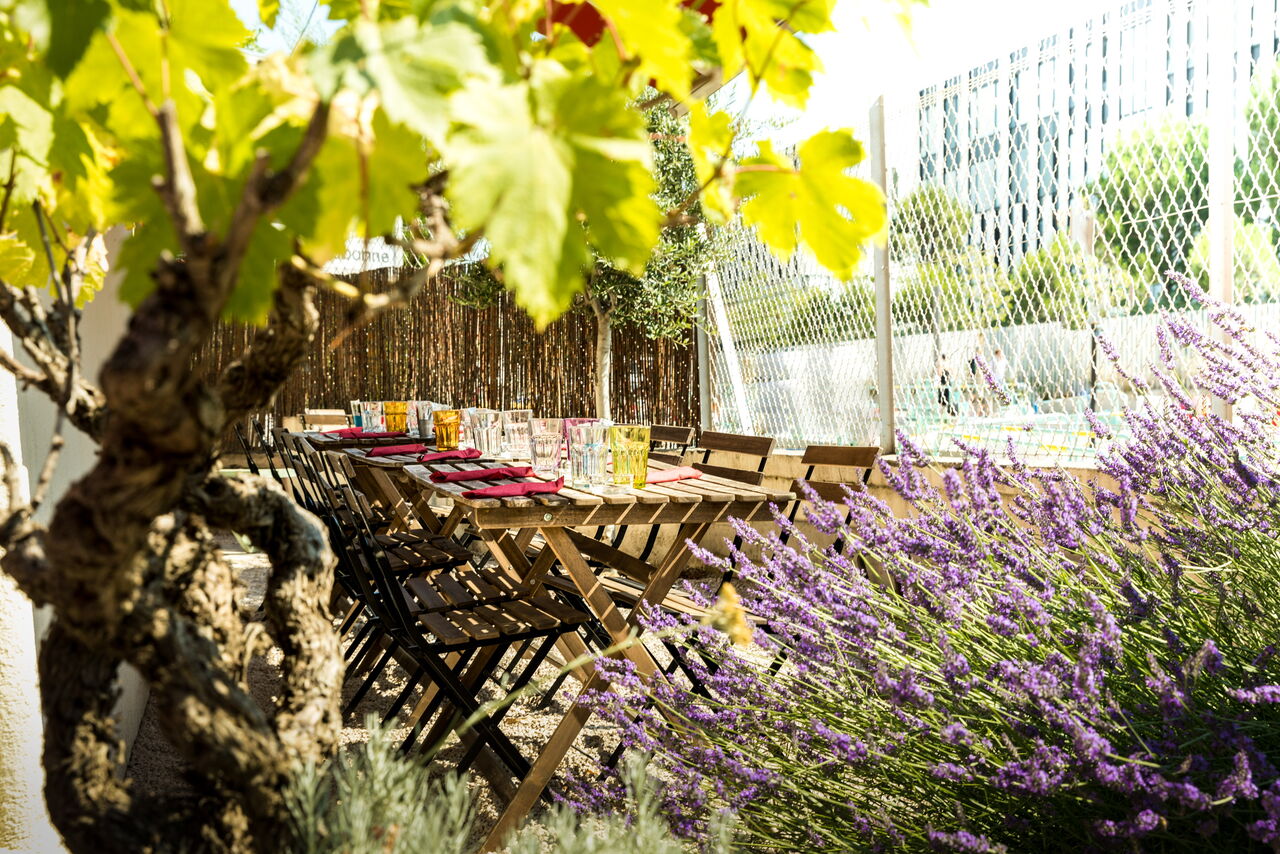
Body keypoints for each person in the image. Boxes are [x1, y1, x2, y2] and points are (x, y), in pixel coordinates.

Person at [936, 353, 958, 417]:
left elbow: (953, 373)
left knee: (948, 399)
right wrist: (941, 364)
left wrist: (948, 367)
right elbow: (939, 373)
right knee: (942, 401)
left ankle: (948, 413)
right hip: (942, 384)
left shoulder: (948, 367)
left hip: (948, 384)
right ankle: (942, 414)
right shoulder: (941, 367)